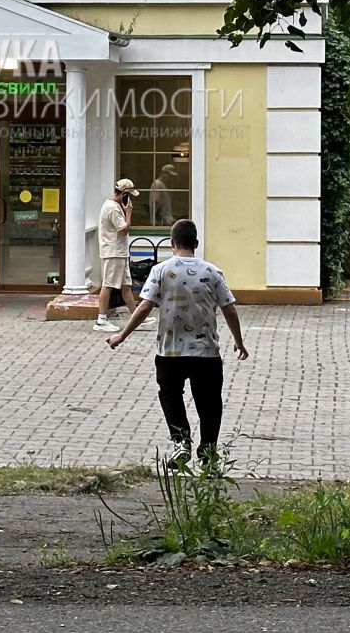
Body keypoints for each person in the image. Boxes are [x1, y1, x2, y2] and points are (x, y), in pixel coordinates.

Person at [104, 218, 248, 466]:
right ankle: (208, 453)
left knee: (170, 395)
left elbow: (144, 307)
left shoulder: (160, 271)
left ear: (172, 243)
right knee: (210, 402)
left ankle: (181, 442)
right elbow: (229, 309)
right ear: (196, 243)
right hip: (206, 353)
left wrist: (121, 335)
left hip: (169, 352)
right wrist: (238, 340)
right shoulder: (212, 272)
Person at [94, 177, 138, 328]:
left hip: (119, 252)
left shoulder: (113, 206)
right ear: (124, 194)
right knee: (108, 284)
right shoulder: (112, 208)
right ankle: (101, 319)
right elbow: (124, 230)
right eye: (129, 195)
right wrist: (129, 213)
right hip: (114, 252)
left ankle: (137, 316)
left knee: (126, 286)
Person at [148, 160, 181, 224]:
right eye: (170, 175)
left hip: (165, 220)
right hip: (161, 221)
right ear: (164, 173)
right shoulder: (157, 184)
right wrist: (156, 219)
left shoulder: (162, 184)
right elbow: (156, 201)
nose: (171, 178)